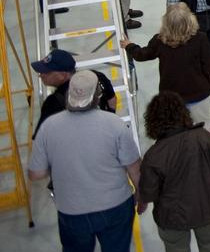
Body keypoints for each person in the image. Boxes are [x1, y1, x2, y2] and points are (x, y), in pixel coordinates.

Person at [27, 70, 144, 252]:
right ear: (97, 96)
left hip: (72, 210)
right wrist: (141, 195)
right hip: (115, 206)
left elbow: (36, 174)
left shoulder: (49, 126)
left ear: (68, 94)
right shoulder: (114, 123)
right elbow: (134, 168)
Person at [137, 91, 210, 252]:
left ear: (153, 121)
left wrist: (141, 203)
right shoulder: (202, 137)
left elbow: (149, 193)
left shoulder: (153, 155)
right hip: (208, 210)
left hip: (172, 218)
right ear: (183, 113)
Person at [122, 3, 210, 128]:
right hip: (199, 93)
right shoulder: (201, 39)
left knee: (176, 128)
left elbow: (142, 55)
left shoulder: (159, 41)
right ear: (189, 20)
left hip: (172, 96)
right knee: (205, 125)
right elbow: (209, 65)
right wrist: (208, 84)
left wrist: (129, 46)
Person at [32, 49, 116, 135]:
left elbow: (40, 138)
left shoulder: (53, 103)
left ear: (62, 75)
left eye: (46, 72)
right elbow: (111, 100)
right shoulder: (97, 76)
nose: (40, 75)